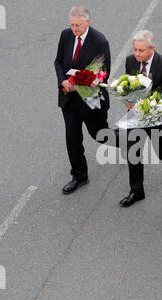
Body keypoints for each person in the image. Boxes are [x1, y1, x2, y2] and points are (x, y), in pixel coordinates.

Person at [119, 30, 162, 207]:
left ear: (151, 48)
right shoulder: (130, 61)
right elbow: (128, 84)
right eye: (135, 50)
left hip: (157, 116)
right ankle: (136, 190)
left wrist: (149, 104)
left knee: (161, 149)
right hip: (136, 116)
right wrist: (128, 99)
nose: (137, 54)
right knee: (133, 149)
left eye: (141, 50)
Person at [54, 6, 111, 194]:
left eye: (78, 25)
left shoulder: (99, 41)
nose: (74, 29)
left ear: (88, 22)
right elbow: (58, 62)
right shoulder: (66, 35)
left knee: (100, 135)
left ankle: (130, 142)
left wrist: (77, 82)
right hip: (69, 99)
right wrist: (63, 80)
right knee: (72, 137)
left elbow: (103, 73)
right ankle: (79, 175)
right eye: (72, 25)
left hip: (90, 100)